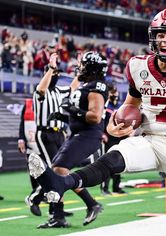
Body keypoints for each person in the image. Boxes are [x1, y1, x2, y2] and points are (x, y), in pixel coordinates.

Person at [28, 9, 166, 236]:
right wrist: (113, 124)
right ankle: (62, 183)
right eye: (161, 35)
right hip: (149, 140)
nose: (165, 40)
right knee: (113, 158)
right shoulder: (139, 66)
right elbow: (130, 106)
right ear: (153, 36)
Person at [32, 51, 108, 228]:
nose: (78, 68)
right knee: (58, 171)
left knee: (58, 170)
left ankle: (58, 213)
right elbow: (82, 117)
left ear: (90, 67)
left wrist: (72, 110)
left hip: (87, 136)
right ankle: (87, 206)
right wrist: (64, 116)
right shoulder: (88, 85)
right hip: (80, 134)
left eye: (82, 65)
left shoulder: (96, 86)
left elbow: (95, 117)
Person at [30, 52, 78, 222]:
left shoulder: (59, 91)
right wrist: (51, 69)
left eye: (57, 73)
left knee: (61, 171)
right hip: (45, 133)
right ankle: (35, 198)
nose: (56, 76)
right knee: (54, 170)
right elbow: (42, 89)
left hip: (60, 133)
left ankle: (55, 210)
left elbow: (73, 87)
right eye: (53, 73)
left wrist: (81, 70)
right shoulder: (39, 92)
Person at [101, 85, 127, 195]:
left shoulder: (120, 106)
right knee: (107, 162)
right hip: (107, 137)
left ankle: (116, 187)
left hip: (119, 136)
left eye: (115, 92)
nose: (115, 94)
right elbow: (100, 121)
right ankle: (105, 188)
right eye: (112, 92)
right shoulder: (104, 106)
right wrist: (101, 133)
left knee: (119, 160)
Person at [18, 98, 42, 216]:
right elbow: (22, 122)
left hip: (44, 139)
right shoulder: (28, 104)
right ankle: (35, 191)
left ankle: (42, 194)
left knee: (48, 168)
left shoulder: (48, 103)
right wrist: (21, 138)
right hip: (31, 141)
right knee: (33, 169)